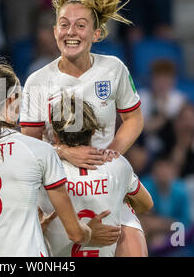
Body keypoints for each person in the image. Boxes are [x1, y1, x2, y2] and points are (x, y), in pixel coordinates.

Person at [20, 0, 148, 256]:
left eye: (80, 25)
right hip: (58, 190)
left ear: (97, 33)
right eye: (64, 25)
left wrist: (111, 155)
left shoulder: (113, 69)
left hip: (106, 184)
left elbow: (134, 119)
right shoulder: (38, 81)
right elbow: (27, 146)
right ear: (55, 31)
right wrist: (63, 152)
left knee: (134, 247)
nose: (71, 32)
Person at [0, 62, 116, 257]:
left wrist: (33, 229)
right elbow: (75, 233)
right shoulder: (39, 150)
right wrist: (91, 233)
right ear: (11, 100)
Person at [39, 95, 153, 257]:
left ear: (55, 136)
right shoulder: (116, 163)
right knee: (126, 212)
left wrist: (57, 151)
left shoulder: (42, 170)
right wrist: (113, 200)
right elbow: (146, 204)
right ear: (93, 131)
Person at [139, 158, 191, 248]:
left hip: (173, 231)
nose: (163, 172)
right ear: (153, 172)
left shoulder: (181, 191)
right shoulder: (144, 187)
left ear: (174, 172)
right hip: (150, 232)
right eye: (160, 168)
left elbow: (186, 223)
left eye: (167, 169)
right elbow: (140, 217)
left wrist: (162, 226)